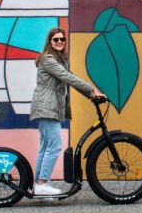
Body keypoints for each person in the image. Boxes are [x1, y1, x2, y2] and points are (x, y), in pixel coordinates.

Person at [29, 27, 101, 196]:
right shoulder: (48, 59)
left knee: (45, 147)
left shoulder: (59, 60)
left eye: (62, 39)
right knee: (54, 146)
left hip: (47, 107)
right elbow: (68, 77)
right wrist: (92, 90)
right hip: (46, 107)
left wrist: (91, 94)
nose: (60, 42)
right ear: (50, 42)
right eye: (56, 40)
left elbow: (70, 76)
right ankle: (42, 183)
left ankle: (37, 186)